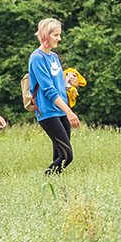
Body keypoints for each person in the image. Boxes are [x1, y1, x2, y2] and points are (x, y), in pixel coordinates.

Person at [28, 18, 80, 175]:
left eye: (59, 35)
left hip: (61, 110)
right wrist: (70, 112)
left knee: (59, 155)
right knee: (66, 155)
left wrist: (71, 83)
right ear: (46, 35)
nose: (59, 38)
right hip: (48, 112)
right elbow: (48, 90)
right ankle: (43, 181)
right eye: (56, 35)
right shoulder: (37, 58)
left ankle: (55, 190)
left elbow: (58, 85)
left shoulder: (54, 57)